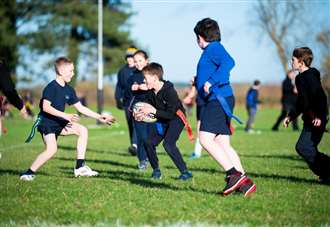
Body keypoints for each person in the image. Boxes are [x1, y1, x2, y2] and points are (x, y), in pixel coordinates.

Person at [20, 57, 115, 181]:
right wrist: (65, 115)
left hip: (60, 122)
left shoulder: (69, 89)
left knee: (83, 130)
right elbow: (45, 107)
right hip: (47, 123)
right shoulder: (51, 87)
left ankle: (80, 167)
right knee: (51, 150)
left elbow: (80, 107)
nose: (73, 73)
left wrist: (99, 116)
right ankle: (28, 173)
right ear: (60, 71)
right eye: (70, 71)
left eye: (73, 70)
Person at [194, 18, 256, 197]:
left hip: (218, 99)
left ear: (200, 37)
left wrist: (210, 81)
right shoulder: (212, 50)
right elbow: (214, 70)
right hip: (221, 98)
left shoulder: (214, 48)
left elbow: (229, 62)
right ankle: (245, 183)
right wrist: (199, 80)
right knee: (222, 143)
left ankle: (233, 174)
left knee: (205, 139)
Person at [136, 62, 193, 180]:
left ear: (155, 78)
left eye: (146, 78)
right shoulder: (150, 92)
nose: (144, 81)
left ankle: (185, 172)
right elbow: (146, 108)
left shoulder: (169, 90)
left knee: (168, 144)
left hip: (176, 118)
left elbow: (171, 113)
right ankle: (156, 171)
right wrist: (139, 115)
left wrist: (153, 111)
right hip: (162, 120)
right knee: (148, 142)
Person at [284, 47, 330, 184]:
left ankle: (326, 172)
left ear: (301, 62)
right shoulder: (300, 78)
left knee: (304, 147)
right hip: (310, 119)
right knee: (306, 148)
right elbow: (301, 102)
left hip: (317, 119)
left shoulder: (310, 77)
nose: (291, 62)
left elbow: (321, 97)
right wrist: (291, 116)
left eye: (293, 60)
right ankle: (326, 174)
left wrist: (320, 116)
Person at [125, 50, 150, 170]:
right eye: (135, 61)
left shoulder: (153, 72)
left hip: (152, 109)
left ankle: (150, 157)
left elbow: (158, 87)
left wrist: (143, 87)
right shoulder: (132, 76)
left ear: (146, 60)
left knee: (149, 137)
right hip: (137, 109)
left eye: (140, 61)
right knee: (140, 136)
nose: (138, 63)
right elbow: (128, 94)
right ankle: (142, 160)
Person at [115, 47, 138, 156]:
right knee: (130, 123)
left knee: (135, 122)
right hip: (127, 102)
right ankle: (134, 146)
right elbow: (119, 86)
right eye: (128, 57)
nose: (130, 59)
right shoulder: (122, 71)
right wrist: (117, 98)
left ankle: (135, 144)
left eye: (132, 57)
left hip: (138, 101)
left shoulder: (139, 70)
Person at [184, 76, 204, 160]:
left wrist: (190, 96)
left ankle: (197, 152)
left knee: (217, 134)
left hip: (207, 104)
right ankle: (197, 152)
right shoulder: (200, 73)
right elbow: (194, 90)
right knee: (200, 129)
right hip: (201, 103)